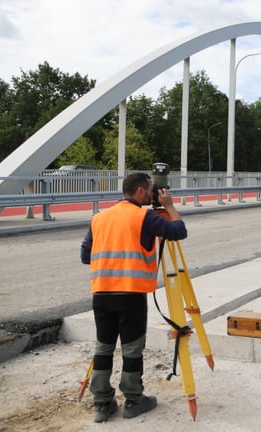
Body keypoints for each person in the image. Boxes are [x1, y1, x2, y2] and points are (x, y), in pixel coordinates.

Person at [80, 172, 187, 423]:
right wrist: (169, 207)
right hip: (131, 294)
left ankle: (102, 403)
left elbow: (86, 256)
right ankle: (134, 400)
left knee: (103, 347)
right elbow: (179, 231)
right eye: (150, 190)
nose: (153, 194)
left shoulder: (99, 218)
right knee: (131, 349)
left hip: (102, 294)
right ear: (140, 191)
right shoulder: (144, 217)